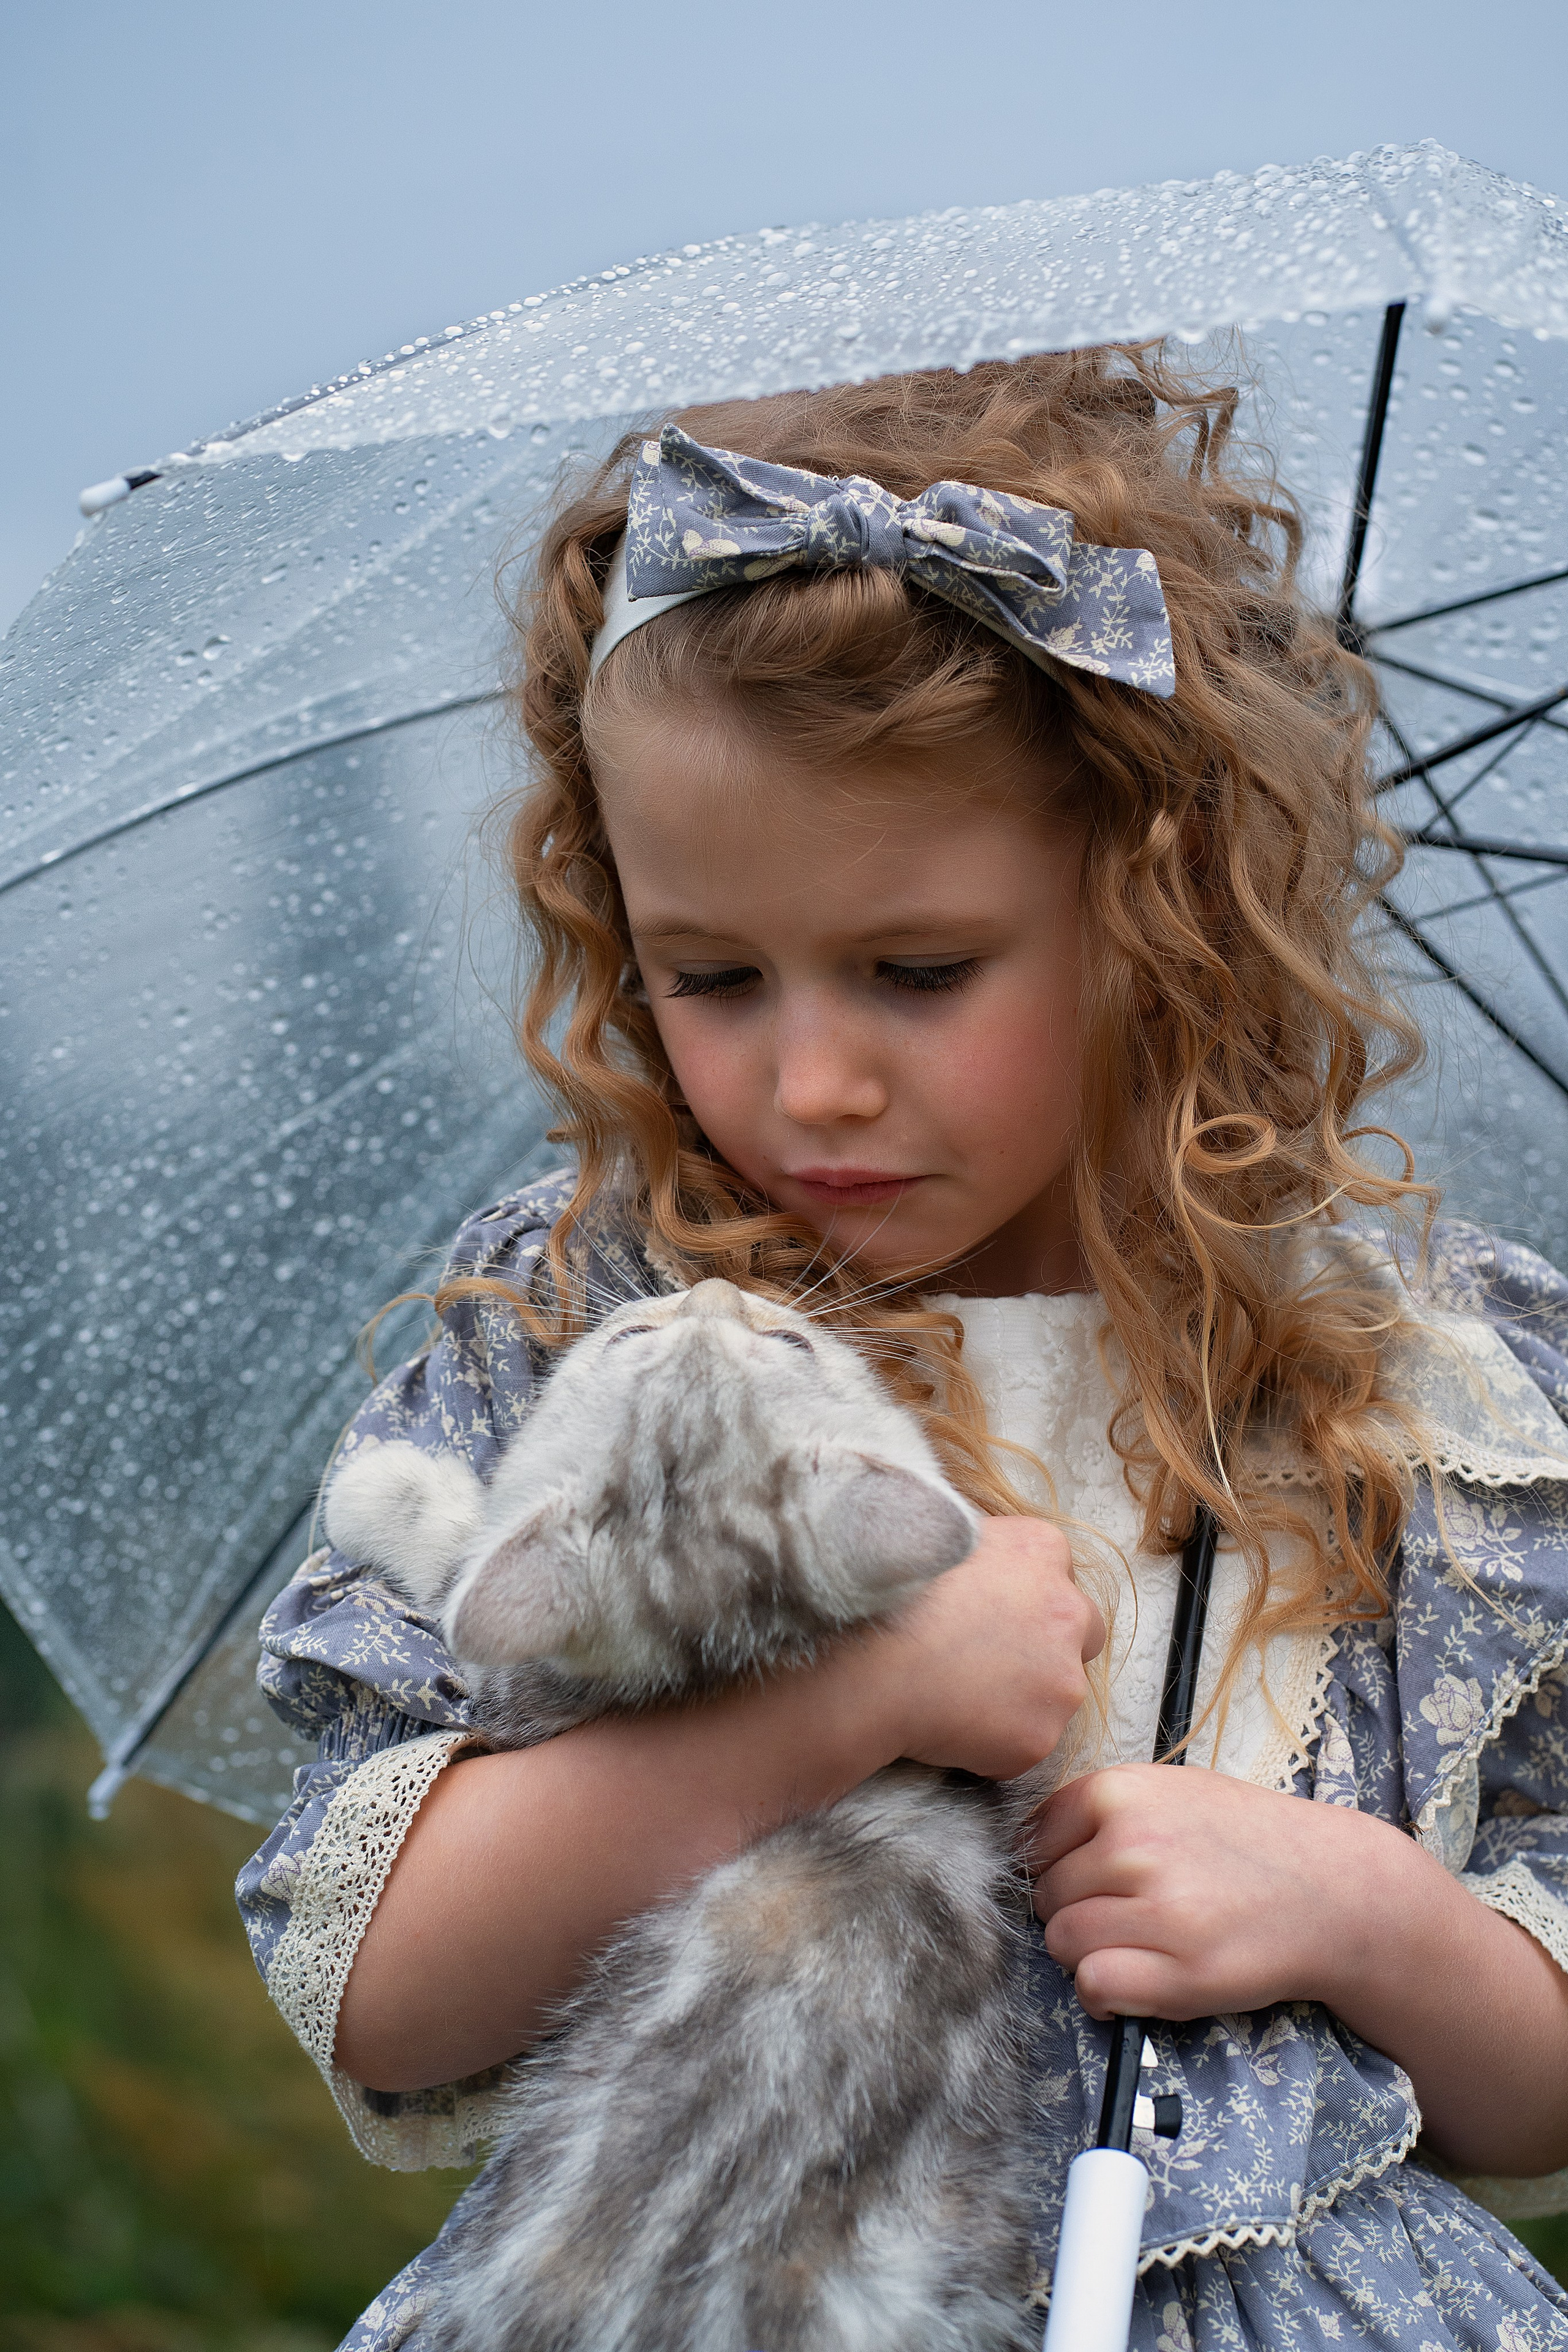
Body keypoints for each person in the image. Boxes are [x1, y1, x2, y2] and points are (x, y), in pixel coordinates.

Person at [238, 350, 1568, 2350]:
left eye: (917, 971)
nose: (812, 1080)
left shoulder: (1405, 1382)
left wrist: (1373, 1922)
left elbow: (1536, 2102)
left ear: (1160, 904)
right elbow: (387, 1991)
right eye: (710, 976)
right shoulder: (610, 1330)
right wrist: (833, 1706)